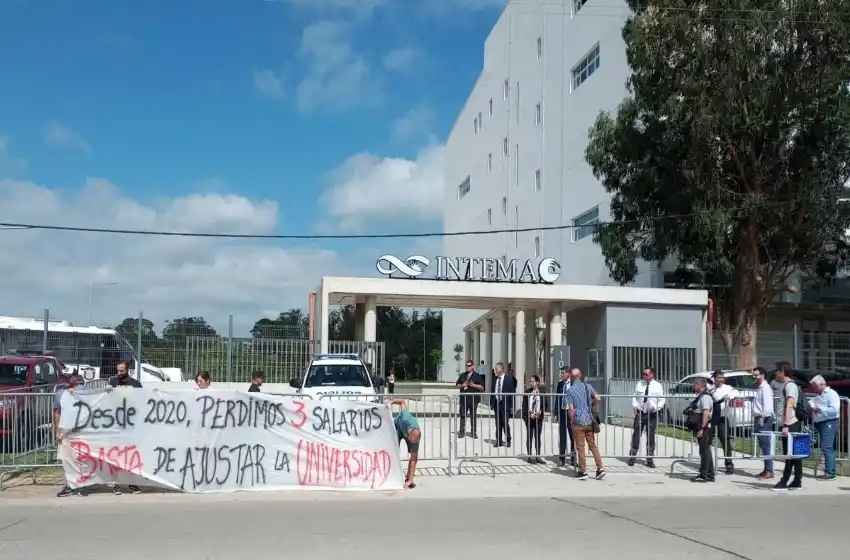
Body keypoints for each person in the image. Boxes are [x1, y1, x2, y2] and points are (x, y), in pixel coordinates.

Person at [105, 360, 142, 494]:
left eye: (122, 371)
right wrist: (106, 391)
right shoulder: (113, 383)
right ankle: (116, 483)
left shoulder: (136, 385)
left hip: (130, 426)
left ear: (128, 371)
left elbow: (142, 402)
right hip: (115, 425)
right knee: (115, 455)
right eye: (118, 370)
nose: (119, 373)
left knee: (131, 455)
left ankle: (132, 483)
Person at [566, 368, 605, 480]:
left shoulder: (570, 391)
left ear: (572, 378)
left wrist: (572, 421)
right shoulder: (588, 387)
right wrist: (590, 402)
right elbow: (598, 398)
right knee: (593, 446)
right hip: (589, 420)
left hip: (578, 421)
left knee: (581, 447)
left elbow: (571, 409)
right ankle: (600, 468)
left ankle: (583, 471)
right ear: (581, 376)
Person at [55, 374, 88, 497]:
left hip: (81, 430)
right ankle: (69, 485)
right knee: (67, 459)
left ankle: (82, 484)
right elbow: (57, 413)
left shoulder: (84, 391)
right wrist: (58, 431)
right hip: (66, 431)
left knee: (81, 459)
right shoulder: (60, 394)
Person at [773, 361, 804, 492]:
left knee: (789, 454)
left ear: (782, 372)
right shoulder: (787, 385)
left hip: (790, 424)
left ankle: (784, 481)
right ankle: (797, 480)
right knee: (794, 454)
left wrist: (785, 424)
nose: (775, 373)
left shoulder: (790, 386)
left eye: (777, 370)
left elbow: (790, 405)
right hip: (790, 424)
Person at [628, 366, 665, 468]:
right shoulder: (639, 384)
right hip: (640, 413)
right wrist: (635, 407)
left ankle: (649, 459)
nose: (644, 376)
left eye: (646, 374)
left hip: (652, 414)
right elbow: (635, 396)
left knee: (651, 437)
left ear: (652, 375)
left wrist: (656, 408)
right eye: (643, 374)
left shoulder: (658, 386)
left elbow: (662, 399)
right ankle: (632, 456)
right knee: (636, 435)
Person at [809, 374, 840, 481]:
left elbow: (834, 410)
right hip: (821, 422)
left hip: (829, 422)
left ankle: (830, 472)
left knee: (827, 447)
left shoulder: (832, 394)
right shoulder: (819, 395)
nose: (814, 389)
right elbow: (812, 403)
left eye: (815, 386)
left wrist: (820, 410)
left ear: (822, 384)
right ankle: (829, 471)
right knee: (826, 447)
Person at [387, 398, 421, 489]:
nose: (411, 443)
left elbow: (414, 459)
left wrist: (409, 480)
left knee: (413, 456)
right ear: (409, 434)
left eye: (413, 443)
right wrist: (391, 402)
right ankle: (391, 474)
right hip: (397, 427)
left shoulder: (416, 435)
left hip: (409, 433)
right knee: (394, 451)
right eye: (410, 441)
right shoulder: (405, 417)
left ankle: (409, 478)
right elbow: (402, 401)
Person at [708, 370, 737, 474]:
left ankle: (729, 465)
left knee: (725, 442)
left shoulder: (728, 388)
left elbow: (735, 392)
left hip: (722, 418)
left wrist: (730, 397)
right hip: (712, 418)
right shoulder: (711, 388)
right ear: (714, 378)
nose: (721, 379)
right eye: (719, 377)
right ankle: (708, 465)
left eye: (722, 378)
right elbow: (716, 398)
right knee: (707, 442)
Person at [751, 366, 775, 479]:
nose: (754, 376)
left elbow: (768, 405)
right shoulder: (759, 387)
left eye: (756, 375)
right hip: (759, 418)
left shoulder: (765, 388)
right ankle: (766, 469)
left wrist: (762, 416)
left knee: (766, 445)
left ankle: (769, 471)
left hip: (764, 419)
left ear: (762, 375)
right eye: (753, 374)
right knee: (763, 444)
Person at [690, 377, 715, 482]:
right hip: (702, 426)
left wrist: (702, 428)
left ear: (699, 386)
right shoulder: (701, 396)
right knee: (705, 451)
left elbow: (705, 413)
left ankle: (704, 474)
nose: (693, 387)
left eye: (694, 385)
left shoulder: (705, 397)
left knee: (704, 452)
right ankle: (709, 474)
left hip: (704, 427)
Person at [456, 360, 485, 438]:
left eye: (469, 366)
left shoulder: (477, 376)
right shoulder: (462, 375)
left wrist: (473, 385)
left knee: (473, 416)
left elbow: (482, 387)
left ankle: (473, 432)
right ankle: (461, 432)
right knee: (462, 416)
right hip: (463, 399)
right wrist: (462, 385)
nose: (467, 367)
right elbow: (457, 385)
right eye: (466, 365)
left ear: (472, 366)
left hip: (473, 400)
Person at [490, 361, 516, 447]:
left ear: (501, 369)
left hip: (505, 404)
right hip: (497, 404)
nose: (495, 370)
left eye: (496, 368)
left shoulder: (509, 379)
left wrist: (511, 406)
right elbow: (492, 391)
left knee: (505, 423)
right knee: (498, 424)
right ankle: (499, 440)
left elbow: (512, 393)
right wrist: (491, 403)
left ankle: (508, 440)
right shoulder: (495, 379)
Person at [522, 375, 547, 464]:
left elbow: (545, 405)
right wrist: (528, 415)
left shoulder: (542, 392)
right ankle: (529, 456)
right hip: (529, 418)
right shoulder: (527, 392)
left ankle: (538, 456)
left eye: (533, 381)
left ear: (537, 382)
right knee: (529, 437)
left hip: (538, 419)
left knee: (538, 437)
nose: (531, 383)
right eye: (530, 381)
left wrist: (541, 411)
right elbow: (524, 406)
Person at [555, 366, 575, 467]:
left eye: (563, 373)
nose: (561, 375)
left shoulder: (574, 384)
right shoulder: (559, 384)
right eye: (561, 373)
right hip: (562, 411)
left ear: (568, 374)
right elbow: (556, 399)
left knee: (573, 436)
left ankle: (573, 458)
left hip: (571, 412)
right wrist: (556, 413)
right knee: (562, 436)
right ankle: (562, 458)